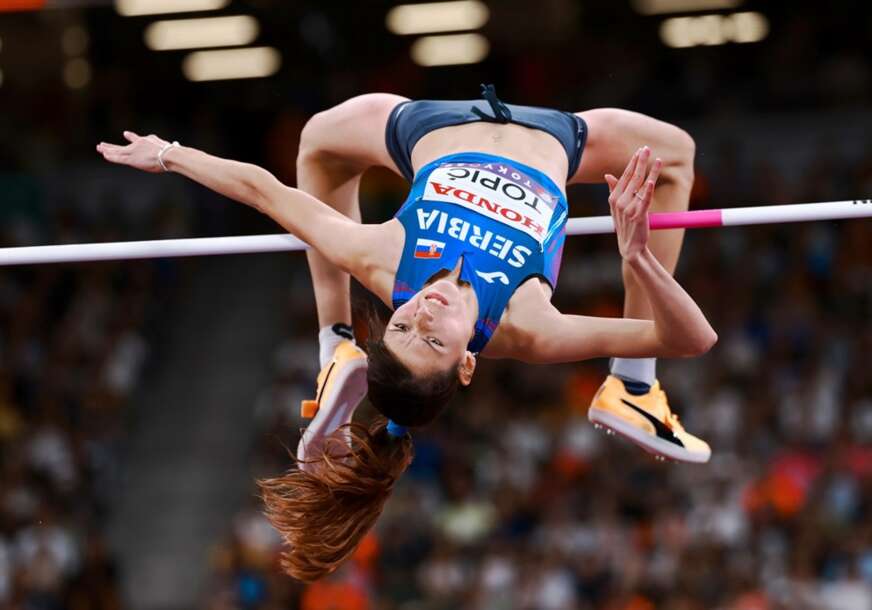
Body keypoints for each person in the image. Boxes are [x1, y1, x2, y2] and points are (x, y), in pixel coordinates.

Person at [96, 86, 717, 581]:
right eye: (434, 337)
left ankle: (334, 339)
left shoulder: (387, 261)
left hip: (428, 125)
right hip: (563, 135)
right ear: (467, 364)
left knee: (319, 142)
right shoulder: (528, 327)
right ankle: (634, 385)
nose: (424, 311)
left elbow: (266, 192)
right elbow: (690, 337)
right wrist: (638, 258)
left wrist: (169, 153)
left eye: (401, 323)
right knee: (676, 154)